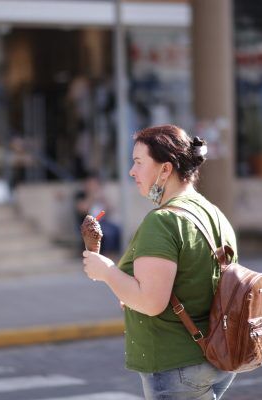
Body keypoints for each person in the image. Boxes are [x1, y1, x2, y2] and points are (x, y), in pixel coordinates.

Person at [82, 124, 238, 400]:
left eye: (139, 162)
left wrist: (105, 271)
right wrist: (129, 289)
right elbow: (197, 281)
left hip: (175, 365)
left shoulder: (162, 221)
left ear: (165, 169)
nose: (132, 171)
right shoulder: (211, 211)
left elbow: (152, 303)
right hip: (217, 356)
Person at [75, 173, 121, 255]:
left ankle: (114, 252)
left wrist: (103, 199)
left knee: (117, 229)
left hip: (102, 220)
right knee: (108, 233)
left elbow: (108, 210)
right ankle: (107, 254)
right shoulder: (81, 195)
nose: (93, 186)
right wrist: (92, 196)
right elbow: (83, 209)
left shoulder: (100, 196)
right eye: (91, 184)